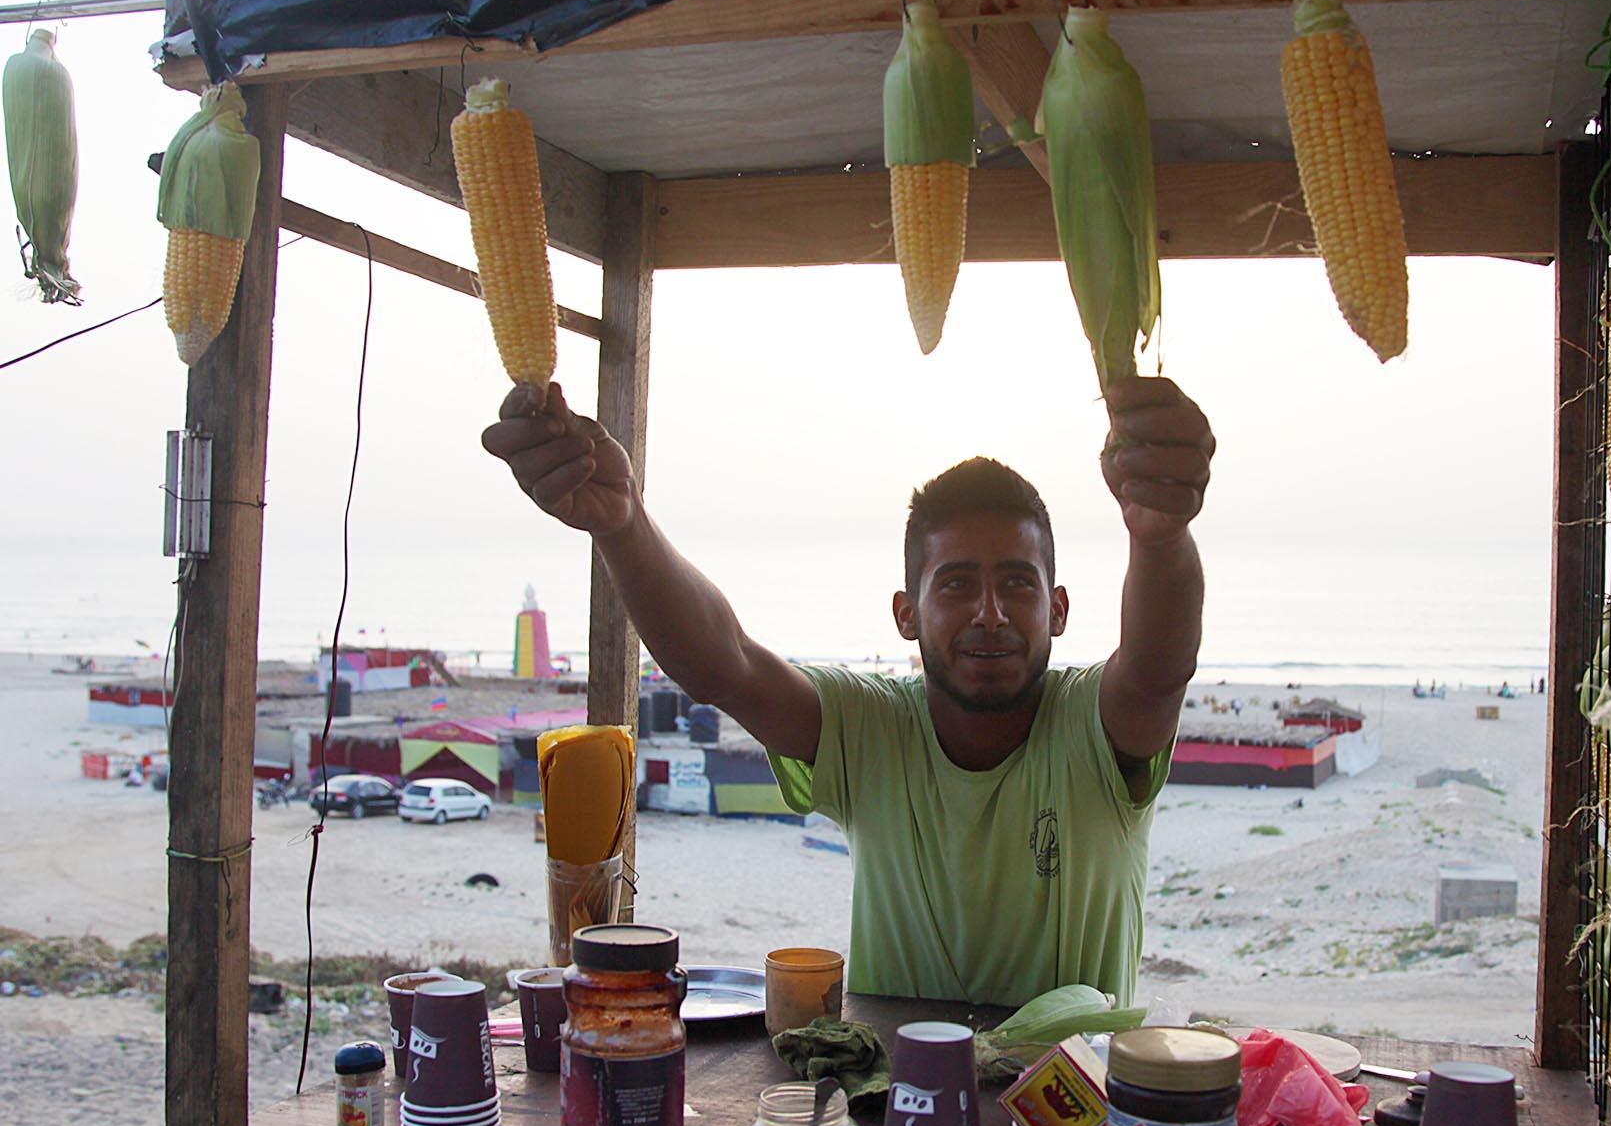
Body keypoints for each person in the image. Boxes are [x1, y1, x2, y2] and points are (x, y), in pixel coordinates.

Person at [483, 378, 1214, 1008]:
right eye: (956, 583)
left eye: (1017, 583)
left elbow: (1158, 667)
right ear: (906, 613)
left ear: (1057, 608)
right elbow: (725, 664)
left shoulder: (1093, 727)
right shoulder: (874, 727)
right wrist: (623, 523)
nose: (989, 612)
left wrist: (1160, 536)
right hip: (899, 1119)